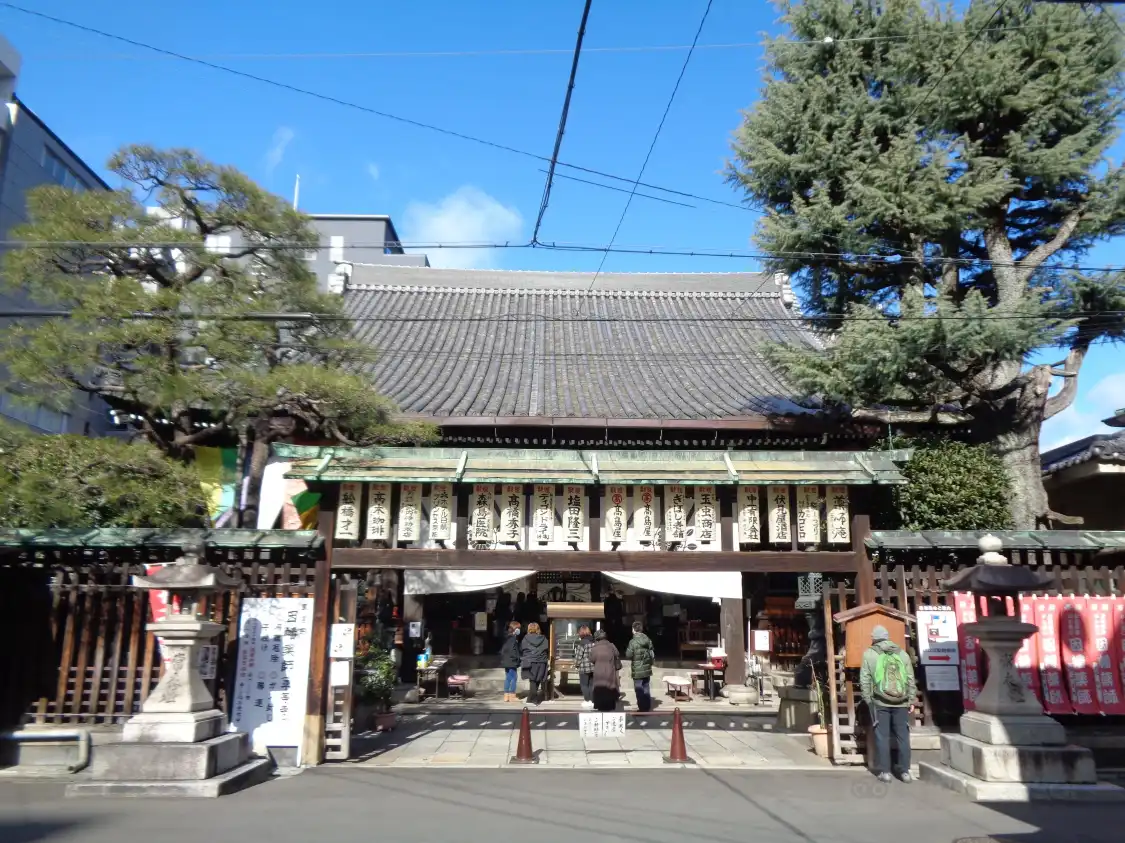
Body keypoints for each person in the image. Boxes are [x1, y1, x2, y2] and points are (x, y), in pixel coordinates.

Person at [859, 625, 917, 784]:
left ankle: (885, 772)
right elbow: (910, 679)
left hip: (879, 701)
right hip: (901, 701)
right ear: (888, 637)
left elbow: (864, 679)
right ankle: (905, 772)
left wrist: (868, 699)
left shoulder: (869, 654)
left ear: (874, 638)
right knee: (903, 736)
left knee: (882, 736)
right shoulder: (902, 654)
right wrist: (911, 699)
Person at [625, 621, 656, 712]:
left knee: (639, 688)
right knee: (646, 687)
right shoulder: (648, 639)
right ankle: (647, 706)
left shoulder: (632, 642)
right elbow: (652, 653)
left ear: (633, 630)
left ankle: (642, 707)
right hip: (647, 668)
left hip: (637, 669)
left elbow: (628, 655)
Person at [589, 629, 621, 712]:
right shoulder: (611, 646)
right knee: (609, 687)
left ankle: (600, 705)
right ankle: (610, 705)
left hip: (599, 672)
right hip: (610, 671)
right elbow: (617, 654)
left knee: (600, 688)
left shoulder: (595, 648)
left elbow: (592, 659)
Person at [520, 621, 549, 705]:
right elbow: (546, 648)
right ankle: (531, 698)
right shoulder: (543, 638)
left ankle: (534, 698)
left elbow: (522, 648)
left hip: (530, 661)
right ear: (538, 629)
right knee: (537, 679)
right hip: (541, 661)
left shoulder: (525, 638)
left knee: (532, 680)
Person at [572, 625, 595, 709]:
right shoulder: (594, 642)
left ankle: (587, 700)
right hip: (593, 667)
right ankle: (592, 701)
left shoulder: (582, 643)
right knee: (592, 684)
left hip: (584, 668)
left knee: (584, 684)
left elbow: (578, 657)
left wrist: (576, 665)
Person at [499, 621, 522, 703]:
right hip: (511, 661)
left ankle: (506, 695)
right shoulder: (513, 639)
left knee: (508, 678)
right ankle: (512, 695)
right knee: (513, 678)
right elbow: (513, 651)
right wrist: (517, 659)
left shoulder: (507, 637)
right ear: (515, 629)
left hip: (506, 660)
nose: (519, 630)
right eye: (518, 628)